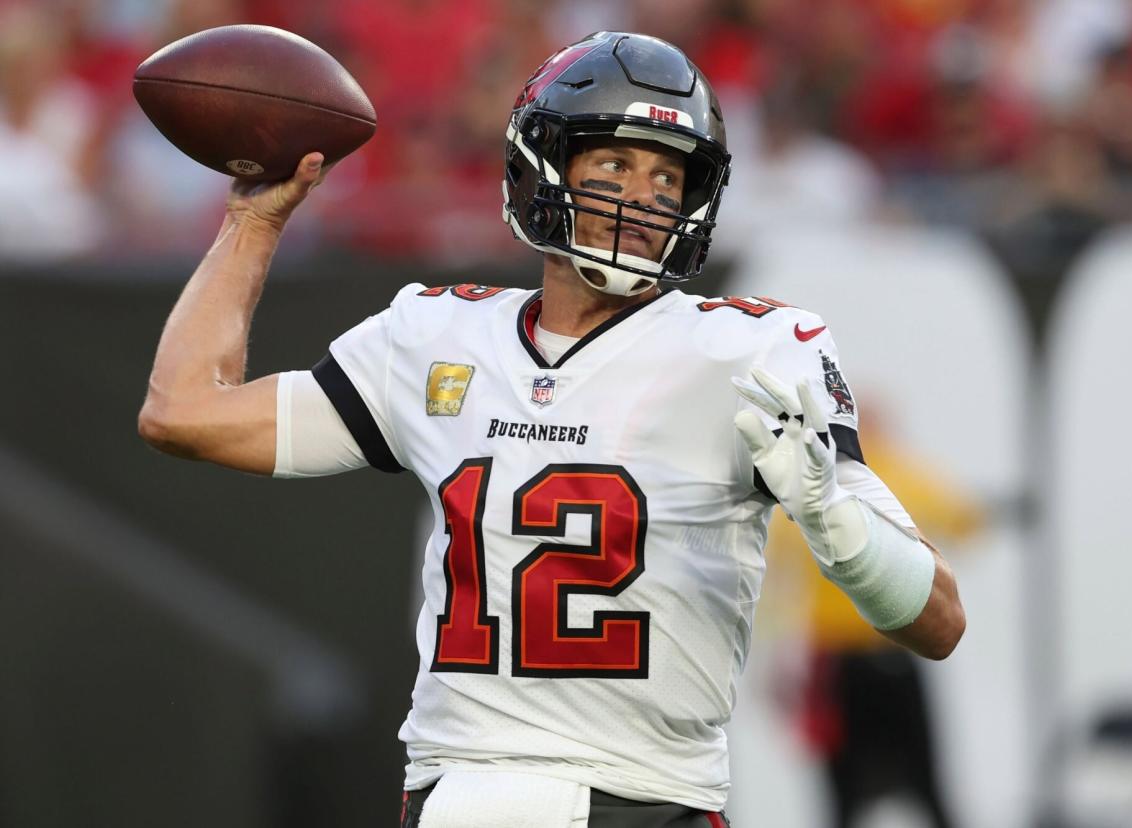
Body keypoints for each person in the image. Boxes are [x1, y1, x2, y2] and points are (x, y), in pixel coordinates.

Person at [137, 31, 965, 828]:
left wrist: (835, 522)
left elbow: (936, 623)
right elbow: (183, 411)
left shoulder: (750, 353)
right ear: (544, 165)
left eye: (668, 178)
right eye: (613, 161)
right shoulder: (435, 340)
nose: (644, 198)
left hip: (644, 802)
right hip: (455, 795)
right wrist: (254, 222)